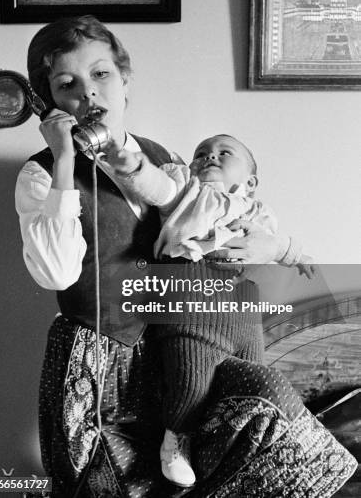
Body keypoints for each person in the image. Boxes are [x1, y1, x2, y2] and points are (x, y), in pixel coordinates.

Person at [15, 16, 357, 498]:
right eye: (67, 83)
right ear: (51, 98)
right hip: (98, 362)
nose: (89, 95)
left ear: (124, 79)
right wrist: (66, 162)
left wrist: (271, 247)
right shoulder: (41, 174)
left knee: (262, 406)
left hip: (180, 346)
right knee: (112, 486)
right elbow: (55, 271)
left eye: (101, 75)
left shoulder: (166, 159)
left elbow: (216, 225)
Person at [102, 132, 314, 487]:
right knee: (190, 384)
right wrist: (134, 167)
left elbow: (276, 247)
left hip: (243, 313)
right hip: (191, 306)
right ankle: (177, 440)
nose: (208, 157)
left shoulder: (258, 211)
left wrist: (297, 255)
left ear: (250, 180)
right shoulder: (187, 192)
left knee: (252, 387)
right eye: (201, 153)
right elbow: (156, 187)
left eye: (223, 153)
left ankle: (245, 459)